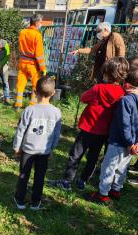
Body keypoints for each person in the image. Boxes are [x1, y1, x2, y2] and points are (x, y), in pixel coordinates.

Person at [49, 57, 129, 191]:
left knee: (75, 155)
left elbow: (83, 98)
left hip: (87, 129)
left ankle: (67, 181)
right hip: (104, 132)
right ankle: (82, 181)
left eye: (104, 73)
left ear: (108, 74)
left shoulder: (98, 88)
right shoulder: (122, 93)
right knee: (93, 158)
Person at [85, 68, 138, 203]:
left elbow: (124, 123)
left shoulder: (125, 101)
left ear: (126, 85)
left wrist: (129, 142)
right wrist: (135, 142)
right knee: (122, 168)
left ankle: (102, 193)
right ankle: (116, 189)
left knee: (108, 167)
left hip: (119, 142)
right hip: (132, 143)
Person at [13, 76, 61, 210]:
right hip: (44, 151)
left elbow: (20, 130)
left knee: (23, 175)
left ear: (35, 91)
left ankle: (20, 200)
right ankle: (35, 202)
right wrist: (52, 148)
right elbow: (56, 134)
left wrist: (17, 147)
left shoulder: (29, 110)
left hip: (28, 150)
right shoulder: (56, 112)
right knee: (40, 176)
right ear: (53, 93)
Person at [15, 14, 46, 109]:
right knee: (35, 85)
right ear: (36, 22)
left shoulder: (22, 32)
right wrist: (43, 68)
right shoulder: (37, 35)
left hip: (22, 62)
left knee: (20, 84)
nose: (41, 24)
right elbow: (39, 54)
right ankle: (32, 106)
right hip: (32, 65)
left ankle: (18, 104)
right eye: (41, 22)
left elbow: (20, 47)